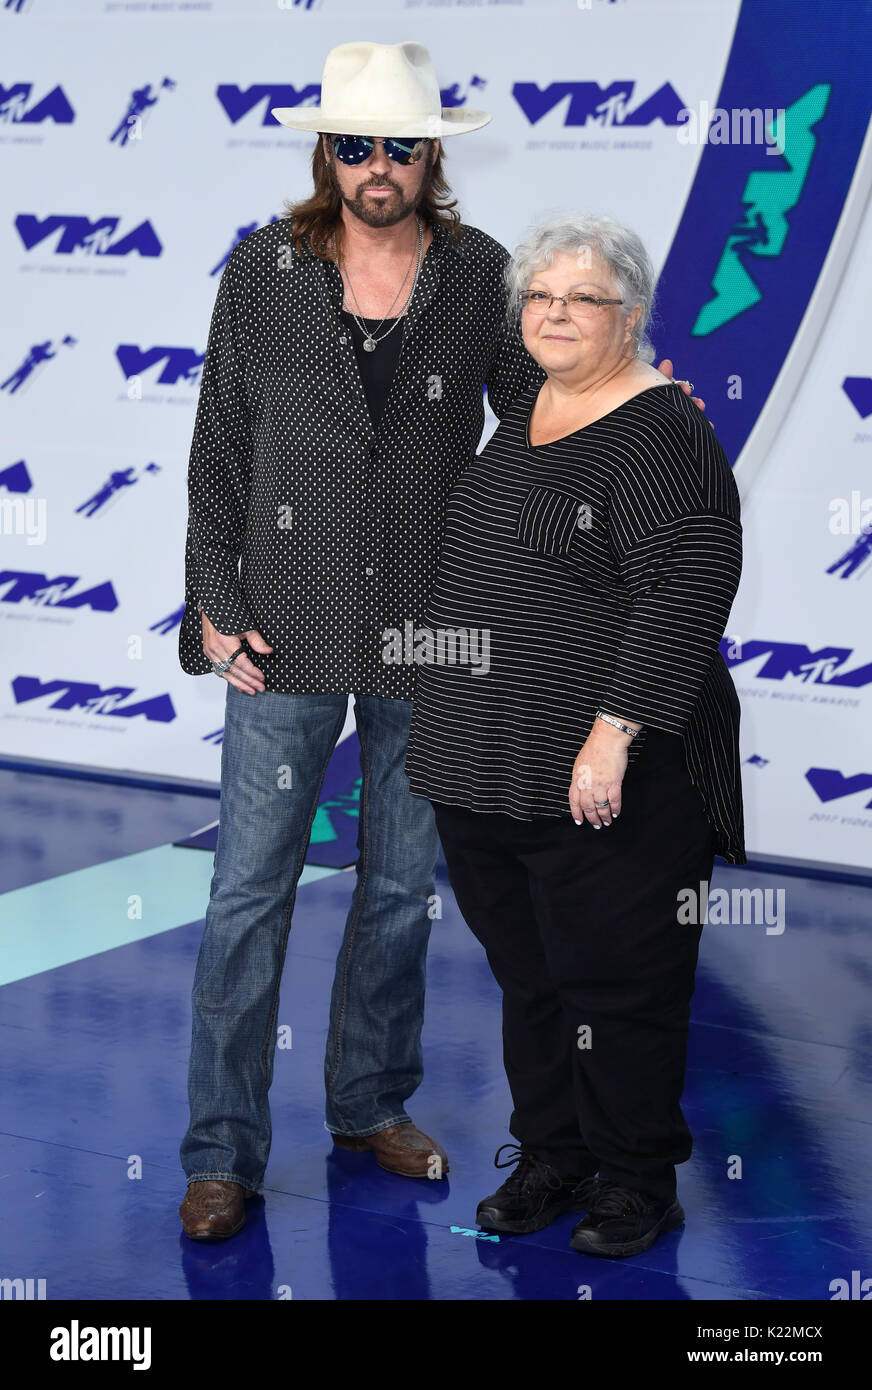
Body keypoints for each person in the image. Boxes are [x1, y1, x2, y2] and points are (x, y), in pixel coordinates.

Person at [177, 39, 702, 1243]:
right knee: (247, 893)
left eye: (398, 146)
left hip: (435, 632)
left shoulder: (477, 275)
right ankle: (220, 1152)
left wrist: (640, 394)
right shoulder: (260, 271)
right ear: (327, 152)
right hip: (282, 626)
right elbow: (217, 446)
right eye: (355, 145)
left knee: (404, 888)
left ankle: (369, 1102)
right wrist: (211, 600)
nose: (376, 166)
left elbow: (544, 405)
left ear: (430, 157)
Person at [404, 213, 745, 1259]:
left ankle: (635, 1179)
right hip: (485, 764)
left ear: (630, 318)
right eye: (539, 297)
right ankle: (552, 1154)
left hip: (608, 770)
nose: (554, 313)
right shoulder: (527, 405)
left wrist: (610, 735)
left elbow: (689, 588)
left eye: (581, 298)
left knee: (620, 983)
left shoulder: (656, 428)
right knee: (532, 977)